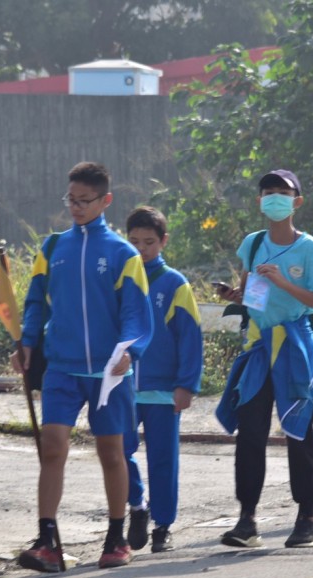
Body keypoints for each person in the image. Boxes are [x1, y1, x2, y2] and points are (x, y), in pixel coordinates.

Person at [12, 162, 154, 572]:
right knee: (52, 447)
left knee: (112, 452)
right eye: (70, 200)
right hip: (61, 368)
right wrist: (26, 341)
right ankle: (47, 540)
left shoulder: (123, 255)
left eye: (84, 201)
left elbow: (135, 314)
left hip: (109, 375)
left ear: (105, 201)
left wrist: (130, 351)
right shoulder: (52, 248)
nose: (75, 207)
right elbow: (36, 302)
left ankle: (116, 537)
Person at [215, 169, 313, 548]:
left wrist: (285, 282)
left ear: (297, 202)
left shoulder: (310, 248)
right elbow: (255, 297)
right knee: (250, 432)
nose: (274, 198)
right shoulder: (252, 244)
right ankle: (247, 518)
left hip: (297, 347)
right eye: (268, 192)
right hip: (259, 348)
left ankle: (308, 517)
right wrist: (236, 296)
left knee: (298, 433)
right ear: (259, 201)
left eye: (282, 192)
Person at [123, 206, 204, 554]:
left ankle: (163, 526)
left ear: (164, 241)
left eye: (149, 242)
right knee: (119, 451)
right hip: (122, 386)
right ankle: (137, 507)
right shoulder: (120, 279)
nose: (142, 249)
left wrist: (186, 385)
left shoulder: (175, 284)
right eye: (135, 242)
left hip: (163, 390)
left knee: (163, 459)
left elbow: (190, 338)